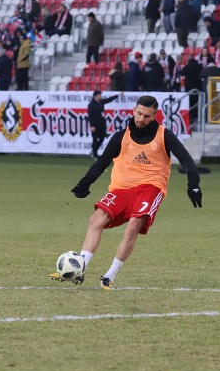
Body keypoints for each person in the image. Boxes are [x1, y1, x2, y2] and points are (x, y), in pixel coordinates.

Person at [49, 95, 202, 289]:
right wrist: (84, 183)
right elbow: (101, 162)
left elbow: (187, 160)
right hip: (121, 189)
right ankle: (79, 269)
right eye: (138, 113)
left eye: (146, 116)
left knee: (133, 226)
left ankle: (109, 276)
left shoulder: (164, 136)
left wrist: (193, 184)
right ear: (133, 111)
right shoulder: (122, 136)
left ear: (154, 116)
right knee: (96, 220)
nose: (141, 119)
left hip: (150, 187)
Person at [87, 90, 120, 159]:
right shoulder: (91, 105)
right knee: (95, 139)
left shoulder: (101, 102)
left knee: (102, 138)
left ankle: (93, 150)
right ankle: (95, 154)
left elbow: (108, 100)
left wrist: (117, 95)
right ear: (95, 96)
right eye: (99, 95)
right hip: (95, 125)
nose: (100, 96)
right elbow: (90, 116)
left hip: (101, 124)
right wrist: (92, 125)